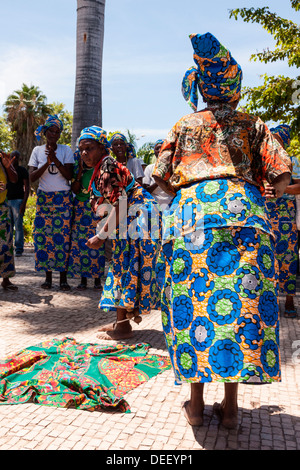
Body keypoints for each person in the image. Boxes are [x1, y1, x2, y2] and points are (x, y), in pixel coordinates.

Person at [152, 32, 292, 429]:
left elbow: (159, 178)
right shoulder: (253, 123)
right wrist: (266, 189)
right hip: (245, 217)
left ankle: (195, 407)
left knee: (193, 305)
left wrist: (187, 190)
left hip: (191, 219)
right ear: (235, 89)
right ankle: (230, 409)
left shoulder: (183, 125)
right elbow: (281, 174)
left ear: (205, 88)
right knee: (238, 309)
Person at [78, 126, 161, 340]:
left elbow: (121, 203)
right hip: (132, 216)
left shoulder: (107, 166)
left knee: (124, 266)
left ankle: (123, 327)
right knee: (124, 265)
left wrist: (101, 235)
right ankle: (121, 322)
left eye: (89, 148)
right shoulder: (101, 167)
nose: (85, 153)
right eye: (82, 149)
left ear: (101, 147)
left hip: (137, 216)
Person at [28, 115, 74, 290]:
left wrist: (55, 160)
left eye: (57, 131)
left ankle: (63, 279)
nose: (54, 134)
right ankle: (48, 278)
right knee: (44, 237)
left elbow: (69, 176)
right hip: (44, 199)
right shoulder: (37, 151)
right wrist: (46, 164)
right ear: (45, 132)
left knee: (63, 238)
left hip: (62, 198)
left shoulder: (66, 150)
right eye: (51, 131)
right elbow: (32, 177)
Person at [265, 124, 300, 318]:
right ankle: (268, 300)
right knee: (266, 256)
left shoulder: (293, 161)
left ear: (284, 141)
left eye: (277, 139)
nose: (273, 142)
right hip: (265, 212)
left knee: (288, 256)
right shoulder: (263, 161)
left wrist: (282, 188)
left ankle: (289, 300)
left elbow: (299, 187)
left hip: (286, 216)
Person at [68, 149, 106, 290]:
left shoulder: (101, 170)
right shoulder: (79, 171)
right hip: (79, 209)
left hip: (96, 208)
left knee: (97, 243)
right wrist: (79, 173)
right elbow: (76, 190)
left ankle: (97, 280)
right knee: (82, 244)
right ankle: (83, 279)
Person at [0, 151, 18, 290]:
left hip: (2, 207)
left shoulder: (1, 158)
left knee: (6, 243)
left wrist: (7, 167)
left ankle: (6, 279)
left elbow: (14, 179)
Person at [6, 150, 29, 257]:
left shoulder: (22, 170)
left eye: (16, 156)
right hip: (6, 200)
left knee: (18, 226)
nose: (14, 158)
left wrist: (24, 203)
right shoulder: (6, 170)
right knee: (7, 226)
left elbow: (27, 187)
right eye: (12, 156)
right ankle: (8, 248)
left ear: (19, 158)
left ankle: (19, 249)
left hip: (18, 201)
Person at [143, 139, 173, 210]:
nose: (159, 150)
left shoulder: (173, 168)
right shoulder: (149, 168)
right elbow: (146, 191)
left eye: (162, 148)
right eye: (157, 148)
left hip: (171, 203)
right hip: (154, 204)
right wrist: (158, 180)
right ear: (154, 152)